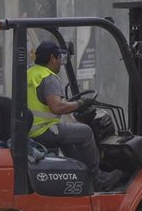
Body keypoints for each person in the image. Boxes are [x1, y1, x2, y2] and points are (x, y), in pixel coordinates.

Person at [27, 41, 122, 191]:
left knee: (69, 137)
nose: (60, 63)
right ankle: (97, 177)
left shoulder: (30, 73)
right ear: (52, 58)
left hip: (31, 129)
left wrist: (69, 103)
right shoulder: (48, 77)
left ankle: (80, 174)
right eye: (59, 59)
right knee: (85, 132)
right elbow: (57, 107)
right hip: (43, 130)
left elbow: (44, 102)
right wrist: (80, 103)